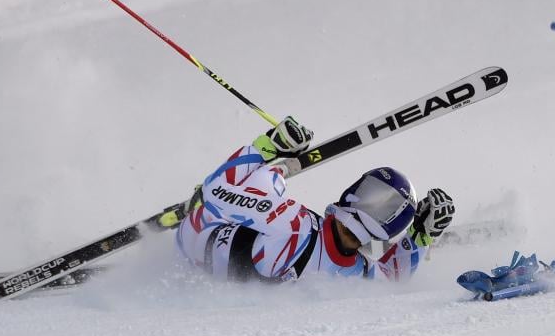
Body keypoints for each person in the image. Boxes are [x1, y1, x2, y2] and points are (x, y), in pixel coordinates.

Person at [163, 116, 455, 282]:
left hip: (196, 234)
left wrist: (269, 146)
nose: (363, 200)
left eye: (374, 201)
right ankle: (259, 175)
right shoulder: (353, 273)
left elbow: (216, 191)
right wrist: (421, 236)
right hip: (213, 265)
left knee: (267, 180)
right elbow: (391, 277)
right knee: (265, 186)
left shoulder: (291, 223)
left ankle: (265, 168)